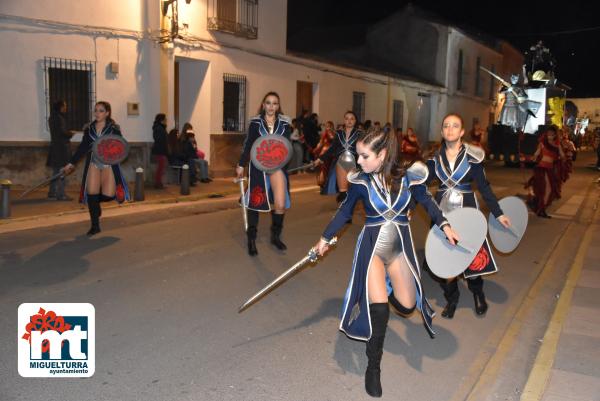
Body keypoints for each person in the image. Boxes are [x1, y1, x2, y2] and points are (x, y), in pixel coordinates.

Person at [314, 126, 459, 398]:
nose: (358, 162)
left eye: (364, 156)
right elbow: (345, 213)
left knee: (406, 304)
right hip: (372, 250)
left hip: (398, 250)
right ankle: (373, 367)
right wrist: (324, 239)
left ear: (382, 155)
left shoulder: (409, 178)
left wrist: (445, 224)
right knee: (380, 312)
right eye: (358, 156)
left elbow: (427, 203)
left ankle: (380, 293)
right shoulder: (359, 182)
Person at [426, 113, 511, 319]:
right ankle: (452, 297)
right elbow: (421, 187)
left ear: (462, 132)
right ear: (442, 131)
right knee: (446, 259)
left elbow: (484, 187)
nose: (450, 129)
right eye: (446, 126)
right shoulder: (434, 159)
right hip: (442, 213)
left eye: (455, 126)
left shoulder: (474, 157)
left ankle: (477, 293)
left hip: (468, 212)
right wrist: (407, 207)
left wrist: (498, 213)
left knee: (472, 256)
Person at [236, 92, 292, 256]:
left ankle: (275, 236)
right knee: (255, 202)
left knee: (280, 204)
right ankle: (251, 239)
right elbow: (248, 145)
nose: (271, 106)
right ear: (263, 105)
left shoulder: (284, 124)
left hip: (276, 166)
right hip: (257, 166)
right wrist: (241, 164)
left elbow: (287, 146)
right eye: (268, 103)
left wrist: (283, 163)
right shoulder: (255, 123)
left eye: (275, 103)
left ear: (278, 106)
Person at [63, 101, 130, 235]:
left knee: (108, 194)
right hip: (93, 162)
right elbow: (82, 147)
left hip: (108, 164)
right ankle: (95, 225)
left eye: (100, 111)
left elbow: (121, 146)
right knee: (91, 192)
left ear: (107, 113)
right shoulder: (89, 129)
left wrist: (119, 154)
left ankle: (95, 205)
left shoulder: (113, 129)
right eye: (96, 110)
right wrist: (71, 163)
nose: (97, 113)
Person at [314, 111, 360, 202]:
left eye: (352, 119)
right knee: (343, 191)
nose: (349, 121)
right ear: (344, 120)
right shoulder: (339, 134)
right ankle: (343, 198)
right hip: (341, 161)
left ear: (355, 121)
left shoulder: (360, 134)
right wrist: (320, 158)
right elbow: (332, 149)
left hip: (355, 162)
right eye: (347, 119)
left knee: (354, 190)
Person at [525, 125, 564, 218]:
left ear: (555, 135)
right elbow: (537, 153)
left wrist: (562, 156)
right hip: (541, 168)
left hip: (550, 169)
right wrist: (533, 158)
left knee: (550, 190)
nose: (549, 135)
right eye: (548, 133)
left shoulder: (557, 145)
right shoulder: (542, 143)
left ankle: (541, 208)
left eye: (552, 134)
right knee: (542, 189)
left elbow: (562, 155)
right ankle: (541, 209)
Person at [47, 100, 74, 200]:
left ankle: (52, 193)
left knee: (55, 172)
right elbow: (62, 132)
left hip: (55, 148)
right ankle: (61, 194)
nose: (66, 108)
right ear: (60, 107)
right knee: (63, 171)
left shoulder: (52, 117)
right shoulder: (59, 118)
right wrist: (70, 133)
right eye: (65, 106)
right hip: (62, 148)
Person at [312, 121, 336, 188]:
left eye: (329, 126)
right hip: (327, 154)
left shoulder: (327, 133)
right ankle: (324, 183)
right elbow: (322, 143)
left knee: (324, 169)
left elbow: (321, 143)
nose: (327, 127)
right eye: (327, 126)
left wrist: (315, 150)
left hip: (326, 153)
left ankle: (323, 183)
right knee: (325, 169)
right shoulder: (329, 132)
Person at [151, 113, 169, 189]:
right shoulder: (159, 128)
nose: (166, 121)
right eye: (165, 119)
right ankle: (158, 183)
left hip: (160, 150)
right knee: (160, 168)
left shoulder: (160, 128)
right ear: (161, 120)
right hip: (159, 151)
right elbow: (160, 140)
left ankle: (159, 183)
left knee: (161, 168)